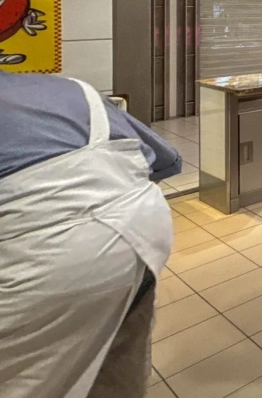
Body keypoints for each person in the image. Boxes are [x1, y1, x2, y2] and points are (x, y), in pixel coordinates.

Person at [0, 71, 181, 398]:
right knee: (117, 362)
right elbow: (167, 161)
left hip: (37, 258)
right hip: (143, 235)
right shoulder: (72, 89)